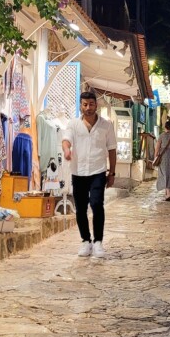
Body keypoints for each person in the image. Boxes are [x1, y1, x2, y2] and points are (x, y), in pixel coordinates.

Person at [62, 91, 117, 258]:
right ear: (81, 105)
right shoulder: (73, 124)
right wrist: (66, 150)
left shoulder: (106, 126)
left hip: (98, 171)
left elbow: (112, 149)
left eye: (91, 104)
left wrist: (112, 172)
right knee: (80, 208)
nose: (88, 108)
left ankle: (98, 242)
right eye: (85, 104)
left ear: (96, 105)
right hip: (78, 171)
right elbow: (66, 139)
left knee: (96, 204)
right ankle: (86, 241)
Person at [153, 119, 170, 201]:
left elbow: (157, 147)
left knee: (164, 174)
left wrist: (155, 156)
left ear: (165, 127)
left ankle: (168, 193)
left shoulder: (161, 136)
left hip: (163, 158)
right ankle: (167, 192)